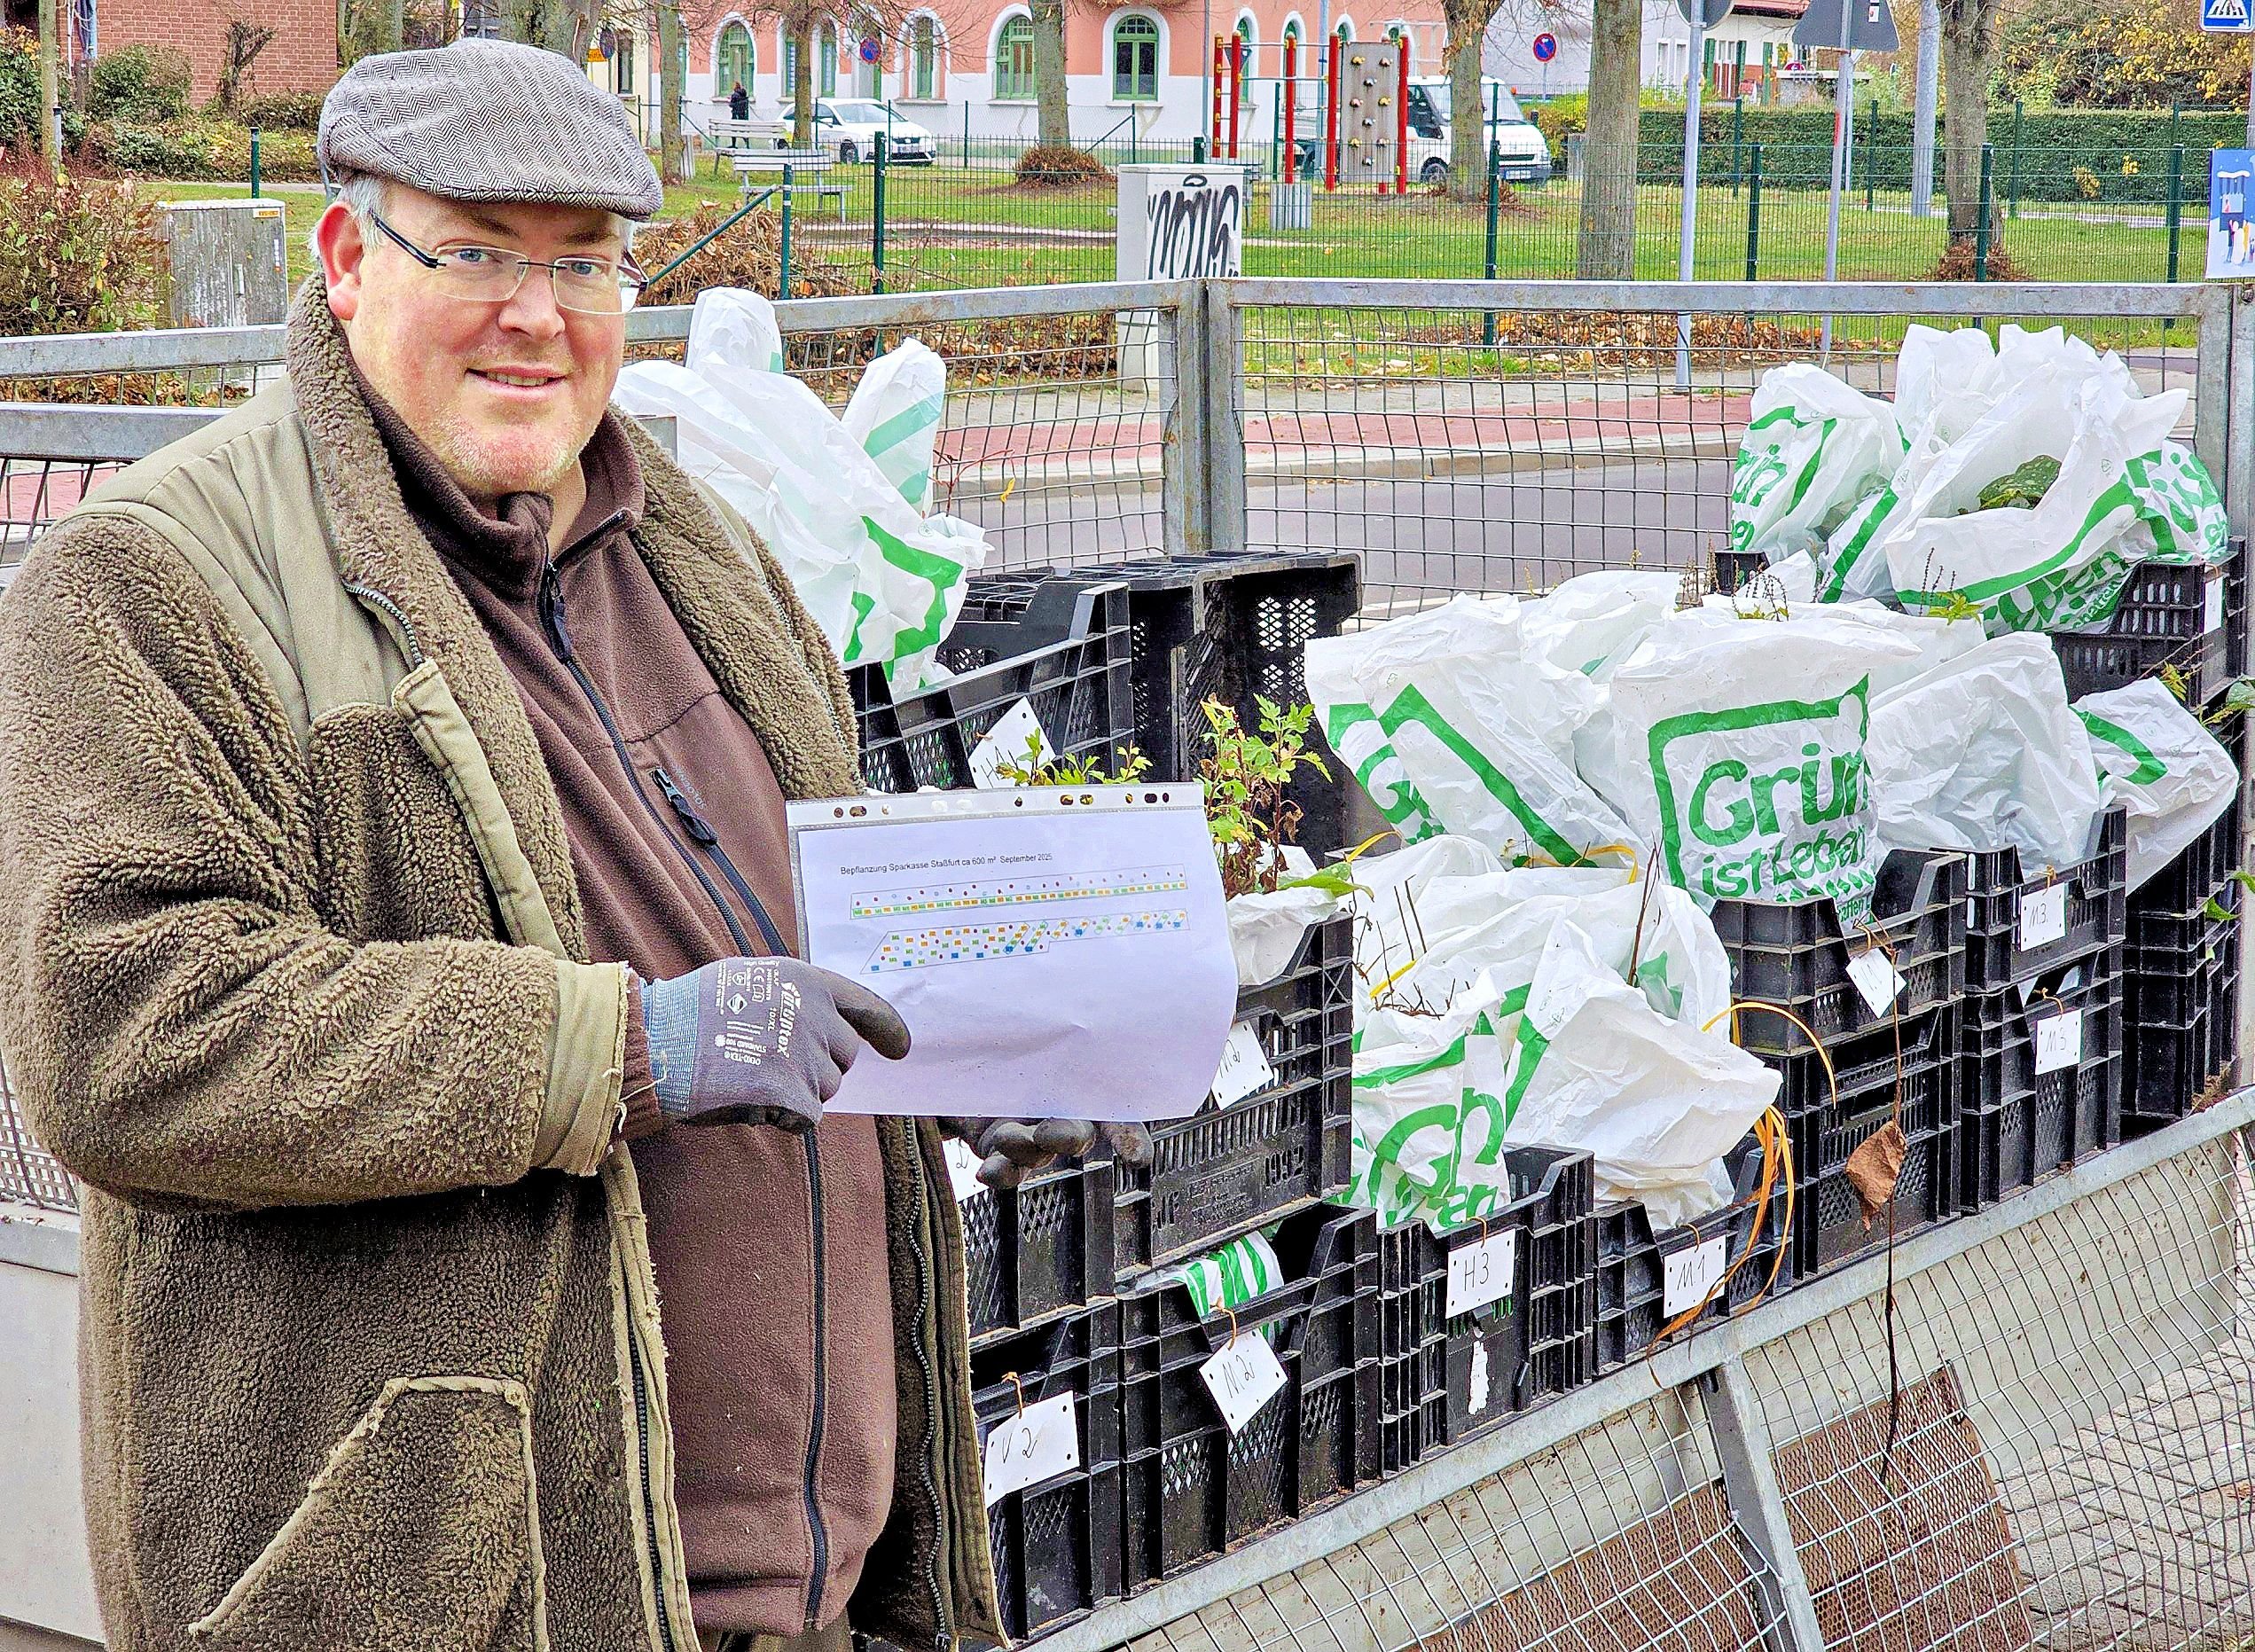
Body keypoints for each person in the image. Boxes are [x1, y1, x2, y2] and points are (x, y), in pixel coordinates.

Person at [0, 37, 1142, 1652]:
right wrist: (619, 1046)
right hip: (463, 1600)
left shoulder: (701, 554)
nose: (539, 314)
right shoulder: (156, 579)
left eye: (587, 264)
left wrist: (961, 1053)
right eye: (476, 252)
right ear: (347, 261)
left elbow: (801, 929)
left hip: (823, 1592)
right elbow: (127, 1030)